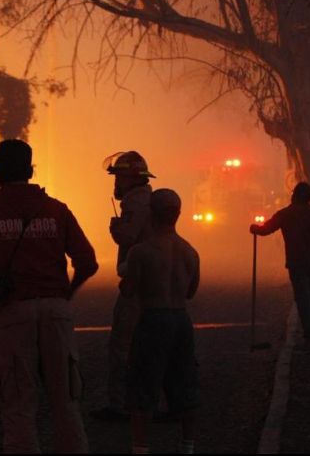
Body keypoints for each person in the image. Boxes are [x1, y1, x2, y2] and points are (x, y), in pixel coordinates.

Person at [0, 139, 98, 453]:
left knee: (18, 406)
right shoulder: (57, 210)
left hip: (15, 315)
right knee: (66, 404)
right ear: (30, 171)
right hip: (56, 313)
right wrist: (65, 295)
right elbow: (87, 262)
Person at [120, 189, 200, 454]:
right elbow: (190, 291)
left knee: (142, 387)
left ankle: (140, 449)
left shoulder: (141, 252)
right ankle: (187, 448)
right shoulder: (190, 252)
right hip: (181, 319)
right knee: (185, 384)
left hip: (153, 319)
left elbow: (129, 290)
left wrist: (125, 278)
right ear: (178, 215)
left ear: (151, 214)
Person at [91, 151, 155, 422]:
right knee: (151, 346)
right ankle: (151, 402)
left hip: (136, 284)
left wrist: (115, 227)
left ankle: (121, 406)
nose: (115, 183)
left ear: (130, 178)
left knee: (122, 345)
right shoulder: (148, 199)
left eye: (118, 177)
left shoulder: (135, 201)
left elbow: (127, 236)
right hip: (151, 283)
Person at [249, 182, 310, 342]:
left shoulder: (285, 214)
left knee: (302, 296)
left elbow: (266, 229)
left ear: (295, 196)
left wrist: (255, 229)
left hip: (297, 262)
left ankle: (309, 330)